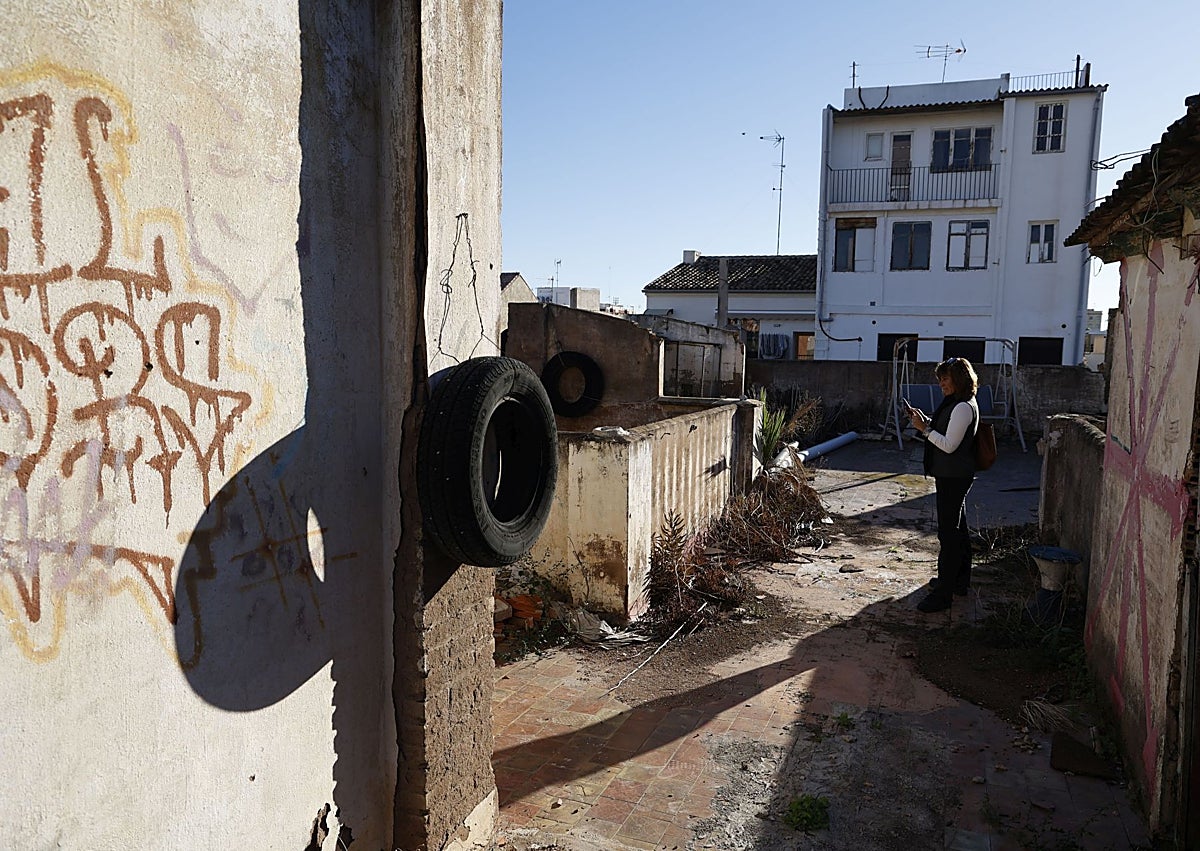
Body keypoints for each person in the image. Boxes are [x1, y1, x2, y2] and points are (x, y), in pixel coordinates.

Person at [907, 357, 980, 613]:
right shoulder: (958, 403)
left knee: (948, 534)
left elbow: (949, 445)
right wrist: (926, 422)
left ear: (958, 379)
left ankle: (943, 594)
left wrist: (924, 430)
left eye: (945, 379)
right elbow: (948, 431)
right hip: (953, 475)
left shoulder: (962, 407)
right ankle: (959, 581)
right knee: (958, 530)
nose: (941, 384)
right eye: (940, 380)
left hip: (954, 476)